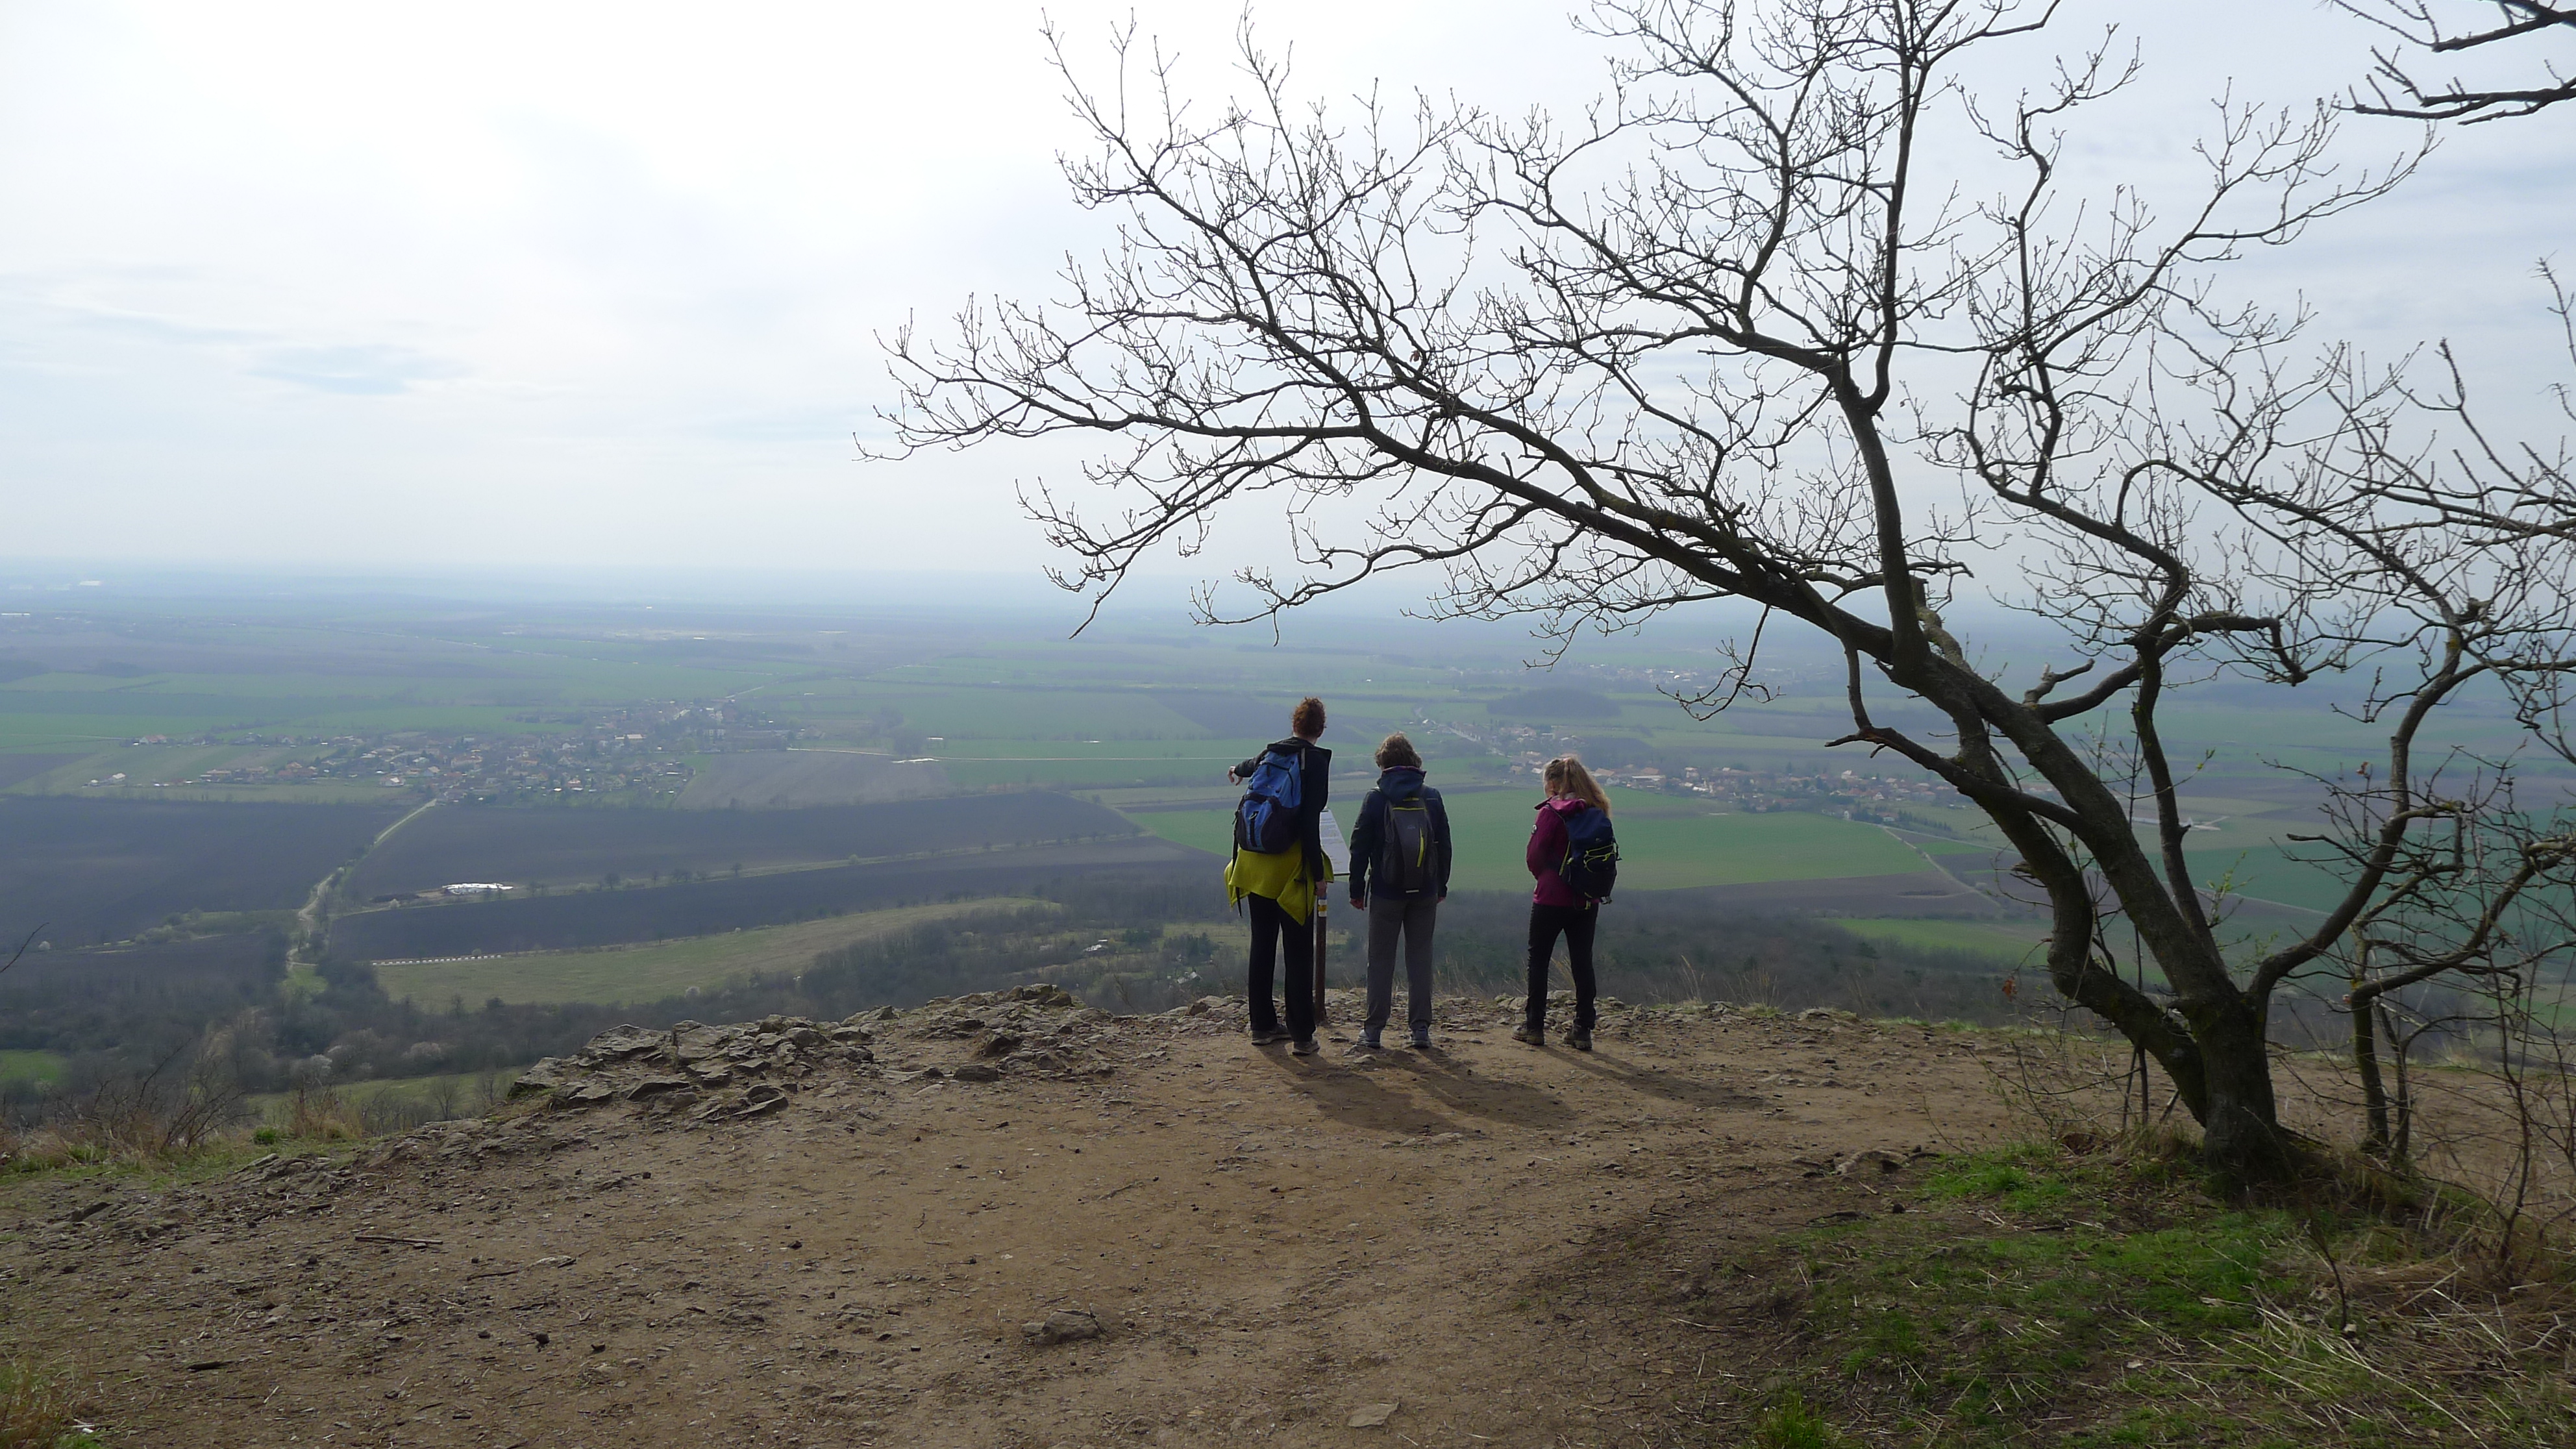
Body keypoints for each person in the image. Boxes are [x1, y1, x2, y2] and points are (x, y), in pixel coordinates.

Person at [1224, 696, 1332, 1054]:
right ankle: (1302, 1036)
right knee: (1298, 951)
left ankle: (1262, 1026)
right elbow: (1310, 824)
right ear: (1320, 729)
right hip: (1290, 872)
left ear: (1294, 724)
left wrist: (1236, 770)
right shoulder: (1314, 762)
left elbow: (1250, 765)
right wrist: (1318, 874)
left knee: (1263, 944)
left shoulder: (1273, 752)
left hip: (1254, 866)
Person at [1345, 732, 1452, 1052]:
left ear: (1383, 764)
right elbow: (1444, 846)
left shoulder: (1376, 799)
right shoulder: (1432, 797)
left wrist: (1356, 889)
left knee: (1380, 960)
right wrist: (1441, 885)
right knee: (1420, 958)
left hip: (1386, 891)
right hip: (1425, 891)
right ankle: (1420, 1030)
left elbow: (1359, 846)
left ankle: (1373, 1031)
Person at [1518, 754, 1609, 1051]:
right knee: (1582, 961)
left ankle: (1534, 1026)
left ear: (1554, 784)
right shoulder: (1596, 810)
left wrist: (1546, 878)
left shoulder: (1551, 813)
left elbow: (1534, 857)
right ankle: (1583, 1028)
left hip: (1550, 898)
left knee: (1539, 960)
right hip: (1586, 898)